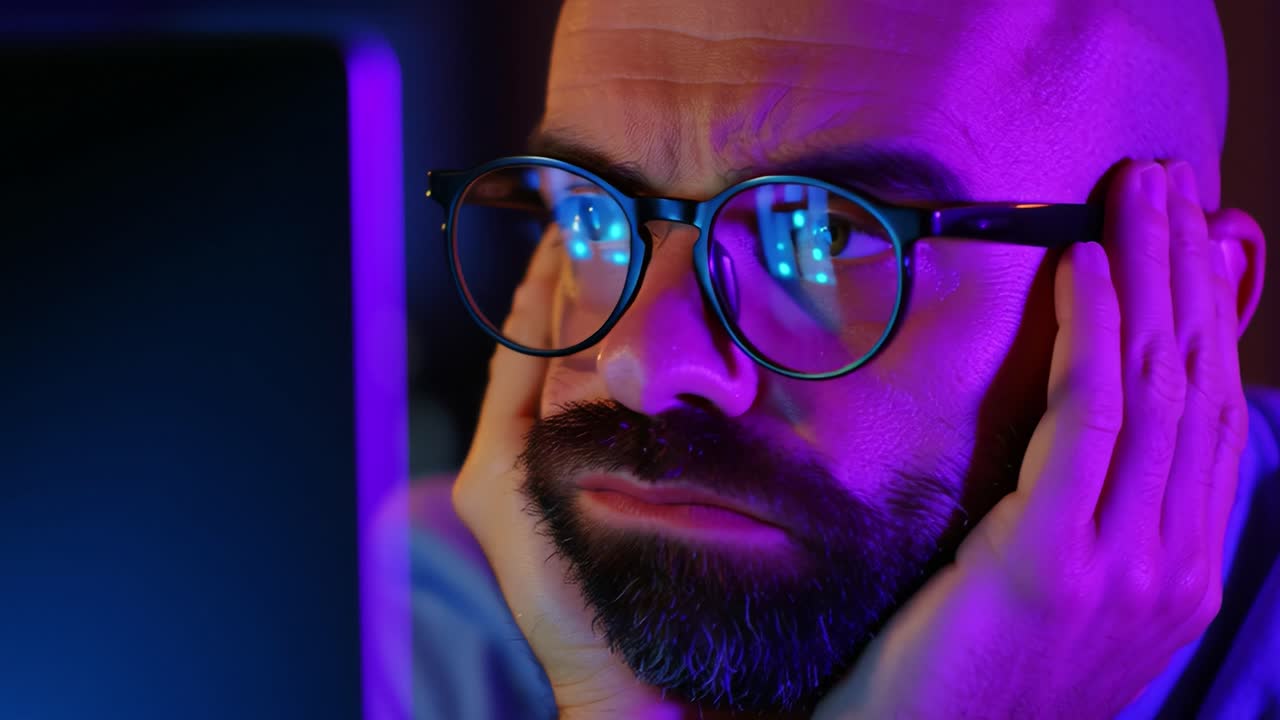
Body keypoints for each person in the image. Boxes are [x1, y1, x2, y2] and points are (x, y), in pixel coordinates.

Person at [407, 0, 1280, 717]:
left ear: (1186, 293)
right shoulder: (401, 628)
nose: (642, 361)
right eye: (594, 215)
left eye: (825, 232)